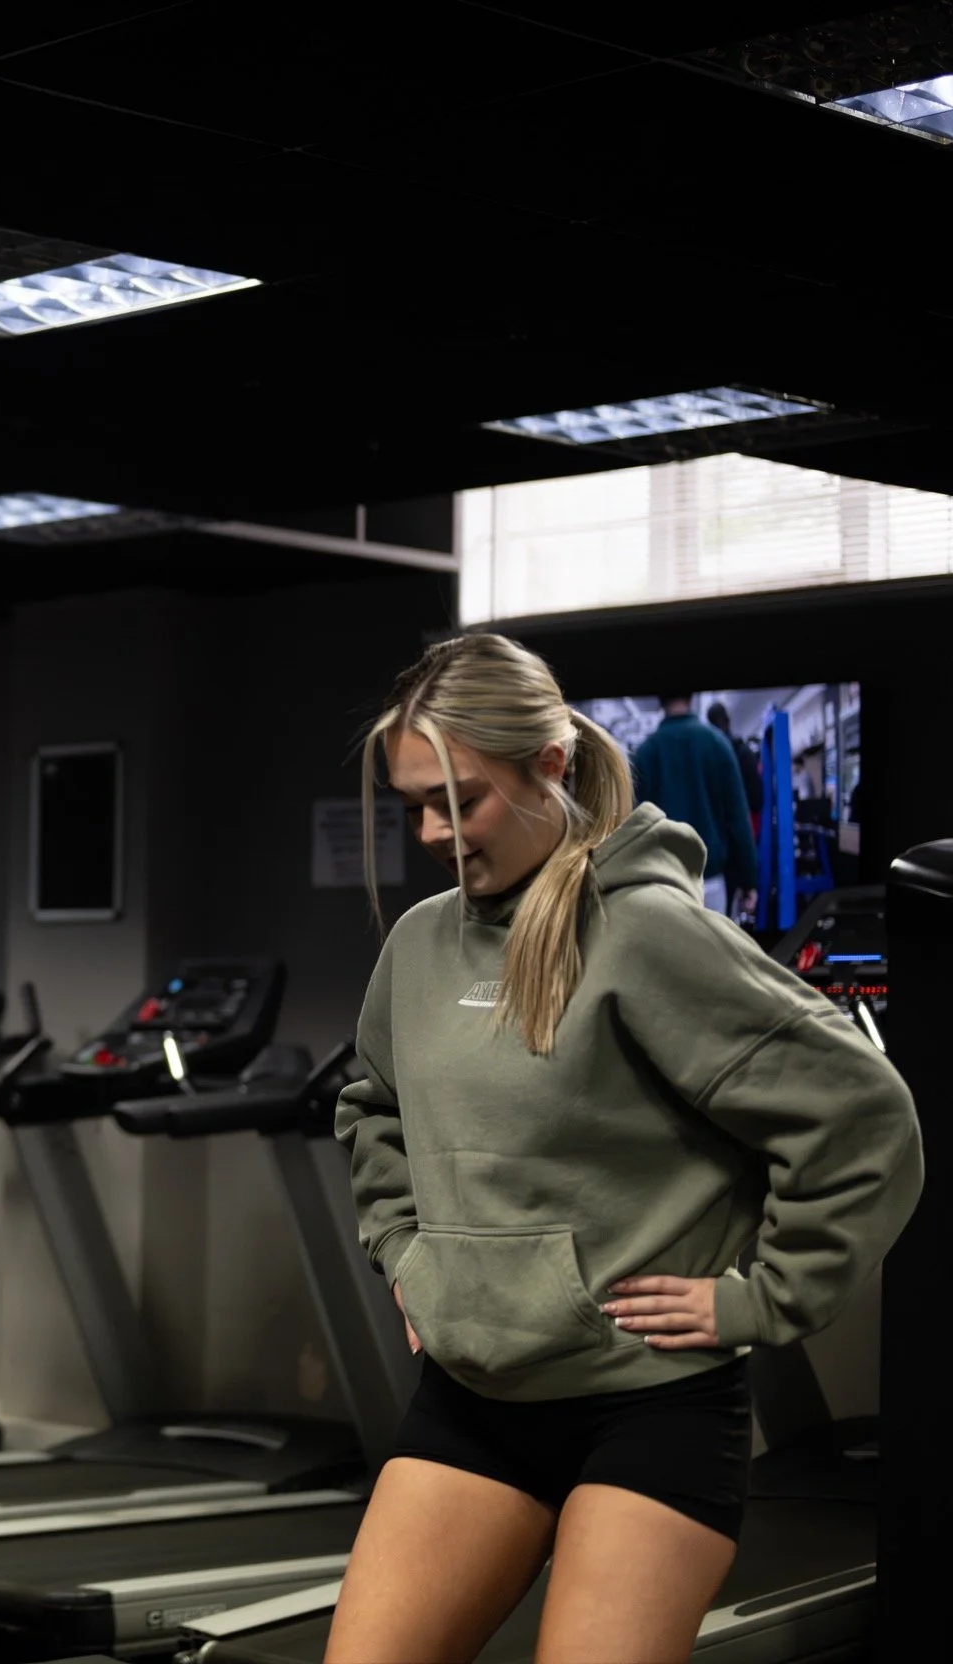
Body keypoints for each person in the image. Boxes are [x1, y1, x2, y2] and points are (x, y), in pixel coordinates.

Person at [329, 633, 920, 1664]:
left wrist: (761, 1300)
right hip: (472, 1403)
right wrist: (406, 1252)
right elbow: (372, 1106)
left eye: (458, 801)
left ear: (549, 765)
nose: (431, 833)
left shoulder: (647, 933)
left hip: (648, 1409)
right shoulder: (418, 942)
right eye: (413, 806)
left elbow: (860, 1116)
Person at [631, 694, 758, 915]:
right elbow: (737, 819)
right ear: (693, 696)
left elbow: (634, 828)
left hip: (663, 885)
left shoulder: (645, 753)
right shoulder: (718, 744)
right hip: (710, 883)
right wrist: (749, 880)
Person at [706, 701, 764, 838]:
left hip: (730, 824)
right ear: (728, 721)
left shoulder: (715, 754)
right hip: (747, 821)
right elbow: (757, 797)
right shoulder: (743, 751)